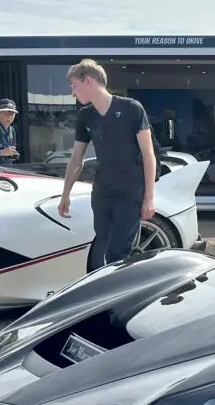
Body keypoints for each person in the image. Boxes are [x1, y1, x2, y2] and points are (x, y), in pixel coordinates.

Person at [57, 59, 157, 272]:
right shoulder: (85, 116)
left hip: (129, 193)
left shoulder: (132, 109)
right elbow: (77, 158)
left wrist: (149, 198)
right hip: (101, 193)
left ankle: (121, 299)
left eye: (74, 85)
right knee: (101, 250)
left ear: (88, 81)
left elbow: (149, 156)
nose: (73, 92)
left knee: (117, 253)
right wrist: (65, 194)